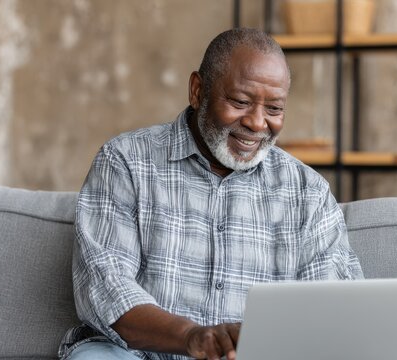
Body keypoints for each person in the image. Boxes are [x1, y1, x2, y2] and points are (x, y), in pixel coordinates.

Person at [59, 28, 363, 360]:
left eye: (274, 109)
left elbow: (332, 309)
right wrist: (191, 336)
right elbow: (106, 288)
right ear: (197, 90)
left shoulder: (308, 193)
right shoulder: (126, 162)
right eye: (240, 102)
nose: (258, 123)